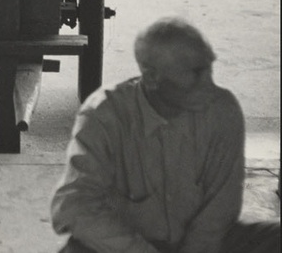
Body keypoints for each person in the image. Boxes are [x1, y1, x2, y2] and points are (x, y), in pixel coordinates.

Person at [50, 16, 281, 253]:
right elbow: (73, 207)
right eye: (196, 72)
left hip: (202, 245)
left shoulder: (223, 110)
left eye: (209, 66)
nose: (209, 83)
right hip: (130, 244)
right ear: (152, 78)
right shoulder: (105, 114)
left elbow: (220, 209)